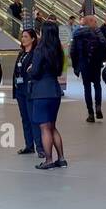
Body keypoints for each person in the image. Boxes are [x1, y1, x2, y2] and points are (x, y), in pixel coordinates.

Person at [29, 21, 67, 169]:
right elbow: (58, 72)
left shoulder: (40, 49)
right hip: (55, 91)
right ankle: (61, 158)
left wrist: (31, 69)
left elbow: (36, 72)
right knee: (52, 127)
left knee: (44, 128)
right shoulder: (58, 50)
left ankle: (49, 160)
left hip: (41, 92)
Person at [13, 29, 45, 156]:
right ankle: (29, 145)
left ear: (33, 39)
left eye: (26, 36)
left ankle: (40, 147)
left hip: (30, 90)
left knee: (33, 119)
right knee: (25, 118)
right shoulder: (21, 53)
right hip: (21, 89)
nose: (23, 38)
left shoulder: (35, 54)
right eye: (22, 36)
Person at [70, 15, 106, 122]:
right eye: (95, 21)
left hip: (84, 63)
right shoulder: (97, 32)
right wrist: (102, 59)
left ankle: (90, 113)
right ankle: (98, 107)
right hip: (95, 63)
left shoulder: (77, 33)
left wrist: (75, 65)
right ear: (90, 22)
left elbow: (73, 51)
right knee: (97, 85)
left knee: (87, 87)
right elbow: (104, 45)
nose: (96, 23)